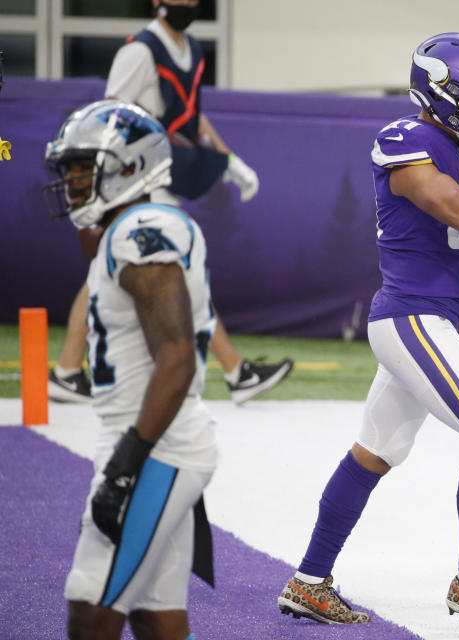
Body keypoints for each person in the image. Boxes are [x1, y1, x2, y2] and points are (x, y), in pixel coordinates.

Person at [275, 32, 459, 629]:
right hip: (409, 317)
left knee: (375, 451)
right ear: (435, 93)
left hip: (428, 321)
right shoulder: (406, 140)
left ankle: (308, 581)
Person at [48, 0, 292, 406]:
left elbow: (192, 116)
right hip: (134, 177)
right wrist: (111, 183)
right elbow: (110, 118)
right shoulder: (139, 51)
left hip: (162, 170)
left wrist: (228, 158)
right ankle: (235, 370)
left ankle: (68, 371)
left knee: (107, 269)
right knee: (178, 267)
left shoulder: (192, 49)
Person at [44, 99, 217, 640]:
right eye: (68, 166)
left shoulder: (143, 227)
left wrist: (127, 463)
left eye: (83, 164)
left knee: (91, 605)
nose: (73, 178)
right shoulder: (128, 226)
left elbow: (176, 357)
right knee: (155, 617)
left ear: (130, 165)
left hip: (154, 446)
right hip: (155, 440)